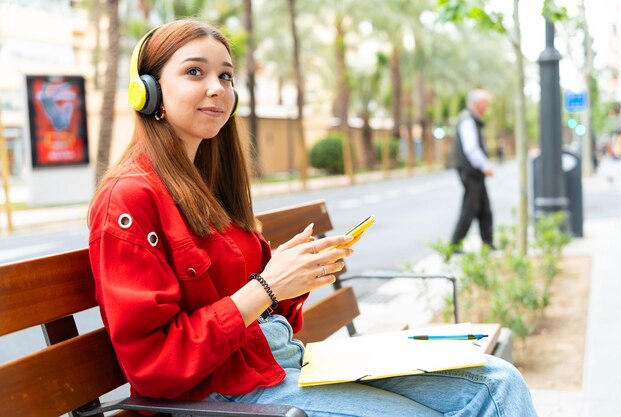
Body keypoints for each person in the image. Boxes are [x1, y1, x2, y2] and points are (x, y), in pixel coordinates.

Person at [88, 20, 538, 417]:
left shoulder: (209, 187)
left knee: (496, 382)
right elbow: (154, 366)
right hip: (218, 396)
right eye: (194, 72)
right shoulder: (128, 199)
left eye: (226, 75)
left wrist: (296, 277)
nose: (217, 88)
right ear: (147, 91)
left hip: (277, 363)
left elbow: (262, 309)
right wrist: (266, 287)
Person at [450, 88, 494, 251]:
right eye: (485, 104)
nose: (486, 107)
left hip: (474, 172)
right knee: (470, 208)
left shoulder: (472, 120)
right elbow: (471, 148)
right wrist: (485, 166)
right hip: (471, 171)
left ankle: (487, 243)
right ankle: (454, 245)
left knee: (484, 208)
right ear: (477, 104)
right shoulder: (468, 120)